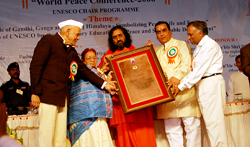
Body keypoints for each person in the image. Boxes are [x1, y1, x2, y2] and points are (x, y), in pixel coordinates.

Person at [30, 19, 117, 147]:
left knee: (60, 136)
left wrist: (105, 84)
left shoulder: (71, 51)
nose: (78, 38)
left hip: (63, 98)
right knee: (47, 135)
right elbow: (36, 67)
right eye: (77, 34)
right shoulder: (49, 40)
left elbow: (84, 71)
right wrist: (35, 93)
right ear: (68, 31)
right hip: (47, 95)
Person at [98, 25, 157, 147]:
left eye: (120, 35)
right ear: (111, 40)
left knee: (144, 137)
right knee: (125, 139)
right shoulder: (107, 58)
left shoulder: (139, 52)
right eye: (114, 37)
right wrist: (104, 67)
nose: (118, 38)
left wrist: (149, 54)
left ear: (126, 36)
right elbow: (99, 78)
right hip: (121, 105)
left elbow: (150, 75)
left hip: (140, 102)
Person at [145, 21, 201, 147]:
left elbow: (186, 64)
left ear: (170, 31)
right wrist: (148, 54)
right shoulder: (156, 50)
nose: (161, 34)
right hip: (167, 96)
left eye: (164, 30)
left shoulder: (181, 44)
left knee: (192, 128)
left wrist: (176, 77)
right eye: (158, 32)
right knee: (172, 130)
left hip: (184, 93)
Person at [172, 20, 228, 147]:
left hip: (210, 83)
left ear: (200, 32)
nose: (188, 38)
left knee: (215, 123)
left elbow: (197, 72)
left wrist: (180, 86)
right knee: (210, 123)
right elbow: (194, 72)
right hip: (203, 85)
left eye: (191, 34)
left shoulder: (209, 45)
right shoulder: (199, 47)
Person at [67, 48, 114, 147]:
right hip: (83, 114)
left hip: (99, 113)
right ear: (83, 61)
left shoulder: (98, 72)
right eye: (89, 58)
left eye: (94, 57)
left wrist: (106, 77)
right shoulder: (80, 71)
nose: (92, 60)